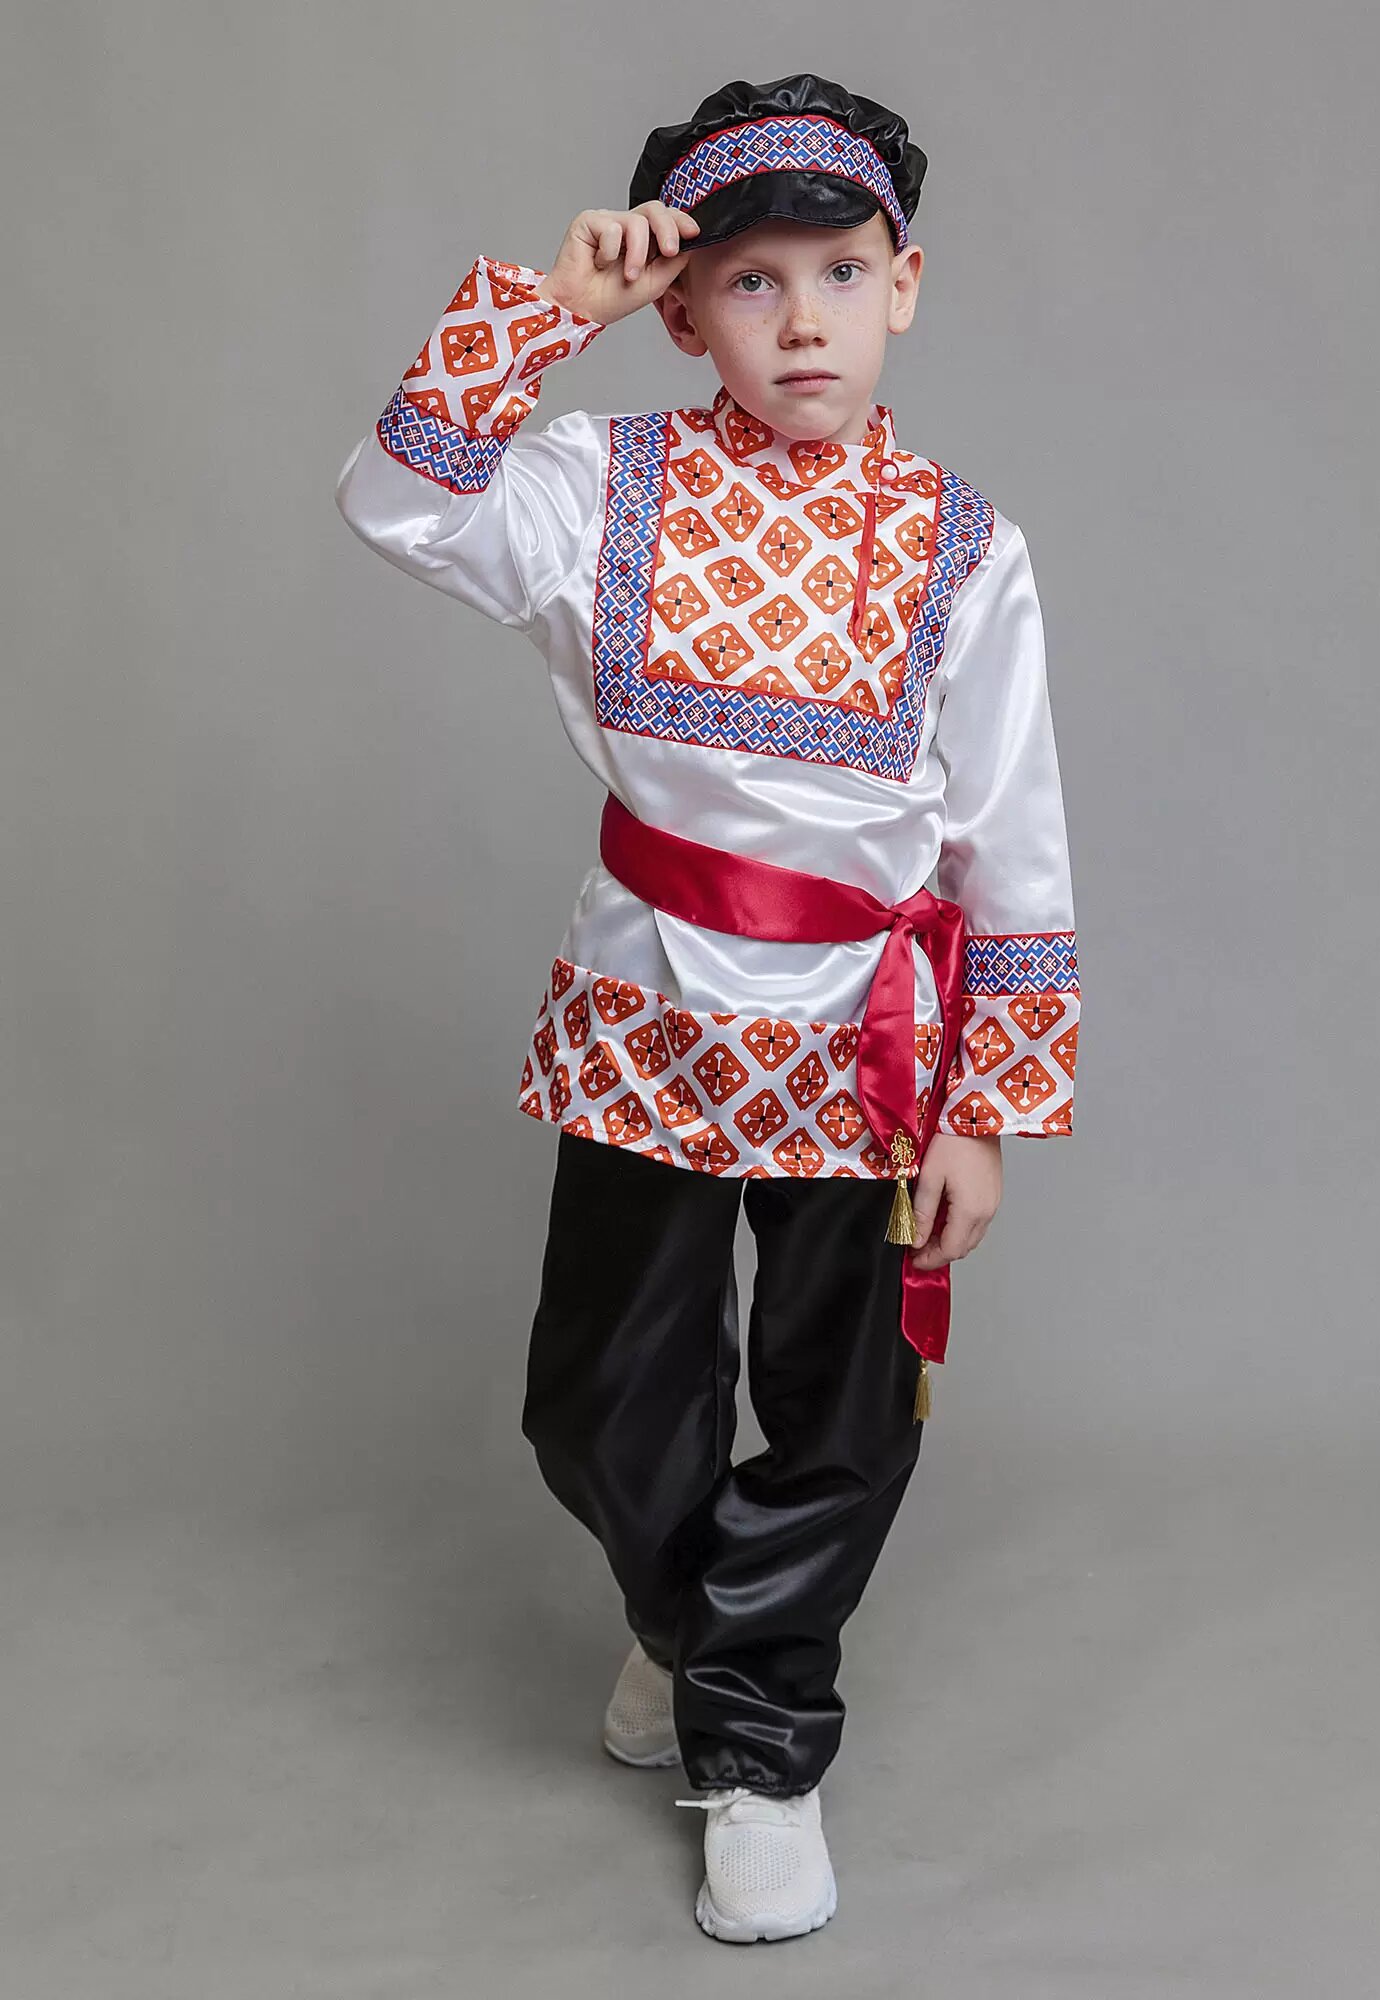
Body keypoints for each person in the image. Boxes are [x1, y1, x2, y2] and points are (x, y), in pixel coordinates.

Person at [334, 70, 1080, 1946]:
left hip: (868, 1041)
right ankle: (702, 1626)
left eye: (842, 271)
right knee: (599, 1399)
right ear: (682, 311)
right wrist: (541, 313)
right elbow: (394, 503)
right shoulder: (599, 488)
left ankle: (758, 1745)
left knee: (840, 1406)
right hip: (650, 1003)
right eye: (751, 281)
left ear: (906, 286)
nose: (803, 318)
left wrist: (985, 1106)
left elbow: (1009, 837)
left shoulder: (965, 546)